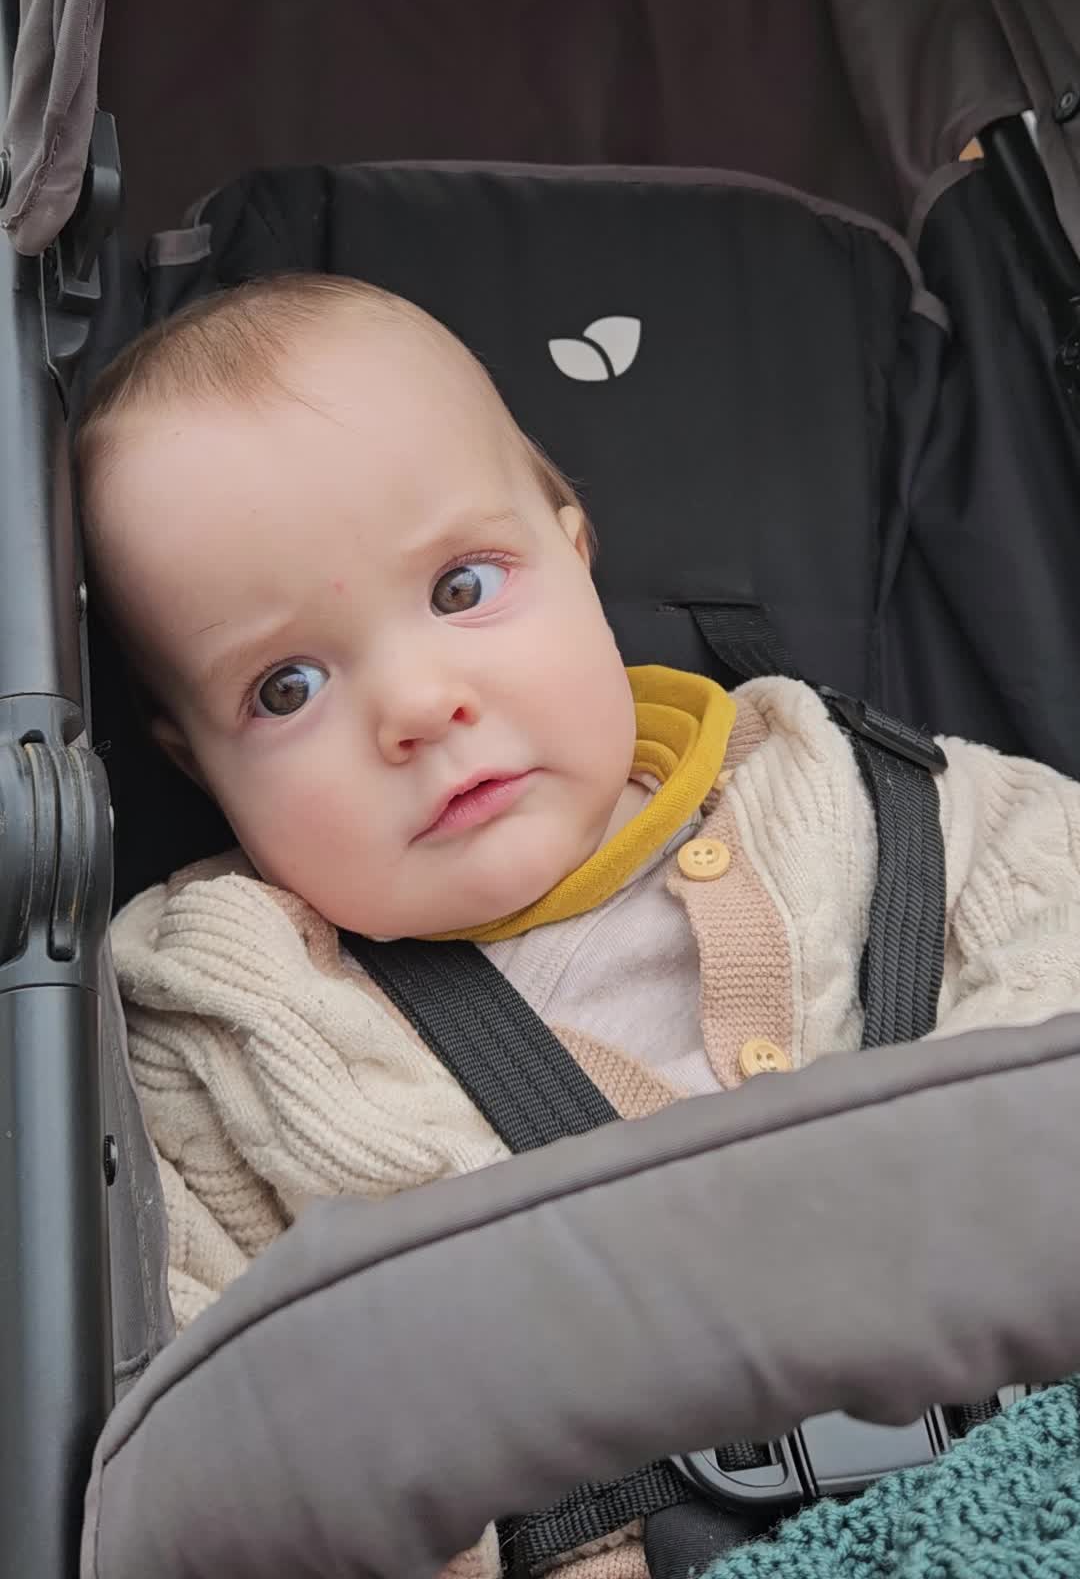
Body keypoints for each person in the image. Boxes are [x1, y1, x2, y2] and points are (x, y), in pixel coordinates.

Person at [76, 272, 1080, 1579]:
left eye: (460, 588)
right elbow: (218, 1444)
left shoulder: (883, 801)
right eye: (287, 686)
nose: (418, 705)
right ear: (196, 762)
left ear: (575, 548)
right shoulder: (226, 1028)